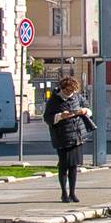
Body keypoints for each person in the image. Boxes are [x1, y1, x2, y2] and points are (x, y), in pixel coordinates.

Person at [41, 75, 94, 204]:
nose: (70, 93)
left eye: (73, 91)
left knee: (74, 166)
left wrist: (83, 111)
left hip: (77, 136)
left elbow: (88, 109)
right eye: (68, 91)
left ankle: (73, 193)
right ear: (62, 88)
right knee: (64, 166)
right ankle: (64, 193)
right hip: (62, 137)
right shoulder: (54, 100)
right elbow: (47, 118)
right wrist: (60, 116)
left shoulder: (76, 97)